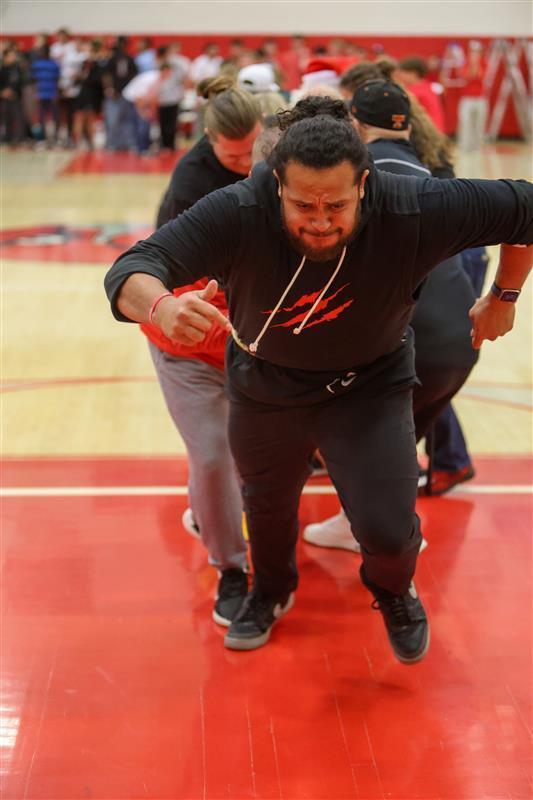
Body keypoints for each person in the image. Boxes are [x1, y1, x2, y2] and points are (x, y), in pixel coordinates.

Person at [105, 97, 533, 665]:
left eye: (337, 203)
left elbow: (525, 208)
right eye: (303, 203)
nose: (321, 219)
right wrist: (159, 307)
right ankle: (270, 591)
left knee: (386, 527)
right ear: (276, 183)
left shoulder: (415, 206)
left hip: (369, 387)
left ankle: (392, 588)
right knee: (267, 506)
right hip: (265, 388)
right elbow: (130, 269)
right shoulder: (239, 209)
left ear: (365, 184)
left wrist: (503, 295)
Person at [303, 82, 479, 549]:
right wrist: (501, 297)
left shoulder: (358, 178)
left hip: (411, 337)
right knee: (395, 443)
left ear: (355, 126)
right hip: (462, 341)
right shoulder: (430, 172)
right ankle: (384, 526)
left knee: (331, 420)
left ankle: (382, 531)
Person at [144, 77, 263, 625]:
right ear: (209, 140)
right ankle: (231, 568)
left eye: (252, 151)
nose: (245, 162)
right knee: (214, 453)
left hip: (253, 342)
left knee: (261, 454)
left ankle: (210, 513)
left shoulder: (278, 162)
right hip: (190, 344)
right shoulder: (193, 189)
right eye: (233, 154)